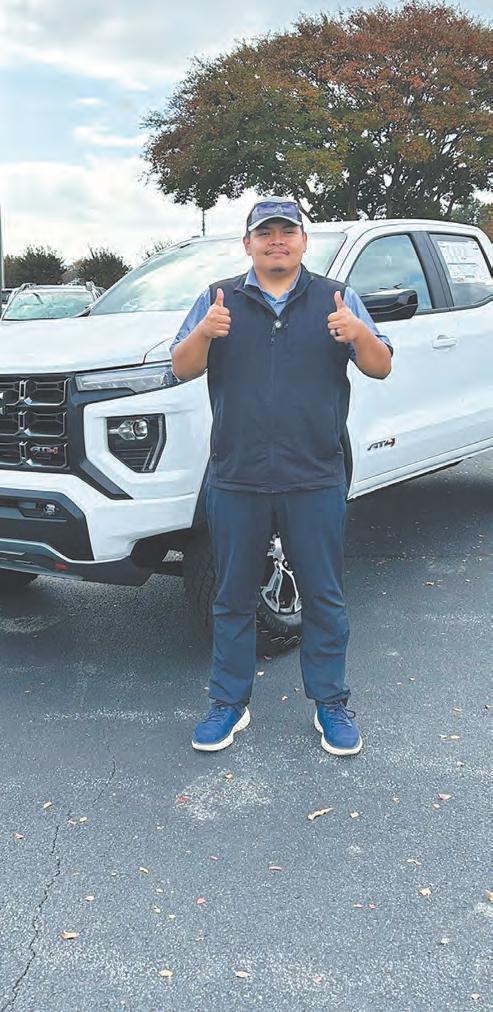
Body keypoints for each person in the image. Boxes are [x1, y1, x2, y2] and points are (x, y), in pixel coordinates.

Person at [171, 197, 393, 756]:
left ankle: (331, 703)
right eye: (264, 232)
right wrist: (205, 333)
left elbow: (380, 365)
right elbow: (181, 367)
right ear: (247, 243)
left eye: (287, 231)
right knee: (232, 598)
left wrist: (357, 333)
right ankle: (228, 703)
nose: (276, 241)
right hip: (236, 476)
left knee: (324, 597)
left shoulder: (336, 298)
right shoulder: (217, 299)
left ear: (303, 241)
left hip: (314, 476)